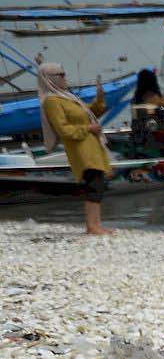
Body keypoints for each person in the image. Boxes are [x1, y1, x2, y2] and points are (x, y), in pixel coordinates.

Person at [37, 63, 114, 237]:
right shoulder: (52, 101)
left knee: (98, 183)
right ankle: (91, 226)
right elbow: (63, 129)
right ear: (52, 79)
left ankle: (96, 224)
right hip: (81, 147)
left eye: (65, 74)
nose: (66, 78)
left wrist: (100, 99)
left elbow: (89, 113)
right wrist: (88, 129)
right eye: (62, 75)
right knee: (93, 183)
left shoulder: (67, 97)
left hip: (92, 145)